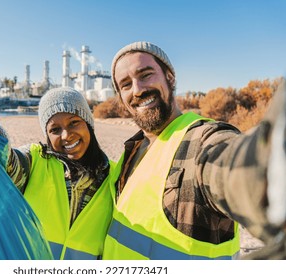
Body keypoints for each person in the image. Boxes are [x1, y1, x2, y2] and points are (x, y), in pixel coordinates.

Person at [102, 41, 286, 260]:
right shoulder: (130, 152)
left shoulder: (200, 141)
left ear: (170, 78)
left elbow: (231, 167)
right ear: (121, 98)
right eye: (125, 84)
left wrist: (269, 160)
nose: (138, 89)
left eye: (146, 75)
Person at [0, 79, 115, 260]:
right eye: (55, 129)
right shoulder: (35, 161)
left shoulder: (115, 176)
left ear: (89, 124)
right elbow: (6, 161)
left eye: (74, 122)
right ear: (47, 135)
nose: (66, 136)